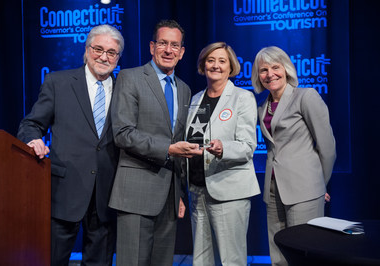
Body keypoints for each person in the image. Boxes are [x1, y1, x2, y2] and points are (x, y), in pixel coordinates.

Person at [17, 24, 124, 265]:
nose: (104, 56)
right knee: (53, 259)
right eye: (98, 49)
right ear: (86, 50)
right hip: (64, 191)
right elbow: (31, 123)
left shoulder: (125, 88)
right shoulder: (58, 82)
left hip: (107, 193)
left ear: (118, 58)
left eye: (111, 52)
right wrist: (33, 140)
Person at [108, 19, 202, 266]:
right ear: (152, 47)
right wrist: (168, 149)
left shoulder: (184, 89)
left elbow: (179, 140)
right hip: (135, 193)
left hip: (168, 196)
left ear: (182, 52)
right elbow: (123, 133)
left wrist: (179, 193)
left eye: (175, 45)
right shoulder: (130, 78)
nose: (168, 50)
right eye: (163, 43)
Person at [251, 46, 336, 266]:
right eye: (263, 70)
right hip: (272, 189)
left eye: (275, 67)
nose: (270, 74)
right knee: (278, 251)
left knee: (303, 252)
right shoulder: (262, 107)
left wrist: (319, 184)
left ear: (286, 68)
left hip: (304, 188)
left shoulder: (305, 96)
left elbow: (327, 147)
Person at [185, 42, 261, 266]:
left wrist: (223, 148)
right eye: (210, 60)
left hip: (229, 191)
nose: (215, 65)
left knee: (231, 260)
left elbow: (247, 145)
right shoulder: (195, 99)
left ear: (231, 67)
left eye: (222, 61)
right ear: (202, 65)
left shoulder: (242, 98)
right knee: (200, 259)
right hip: (197, 191)